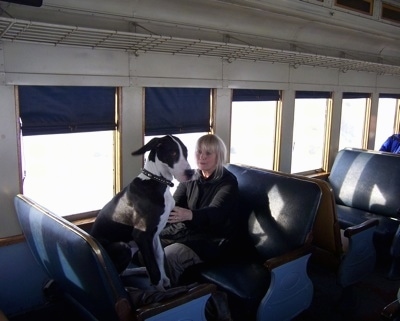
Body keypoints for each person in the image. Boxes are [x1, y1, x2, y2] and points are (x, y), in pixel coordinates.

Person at [159, 133, 240, 286]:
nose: (202, 157)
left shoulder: (228, 182)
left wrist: (190, 215)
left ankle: (173, 300)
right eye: (199, 152)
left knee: (169, 255)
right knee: (149, 242)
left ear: (219, 156)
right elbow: (175, 204)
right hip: (190, 233)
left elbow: (217, 212)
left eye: (208, 153)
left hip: (214, 240)